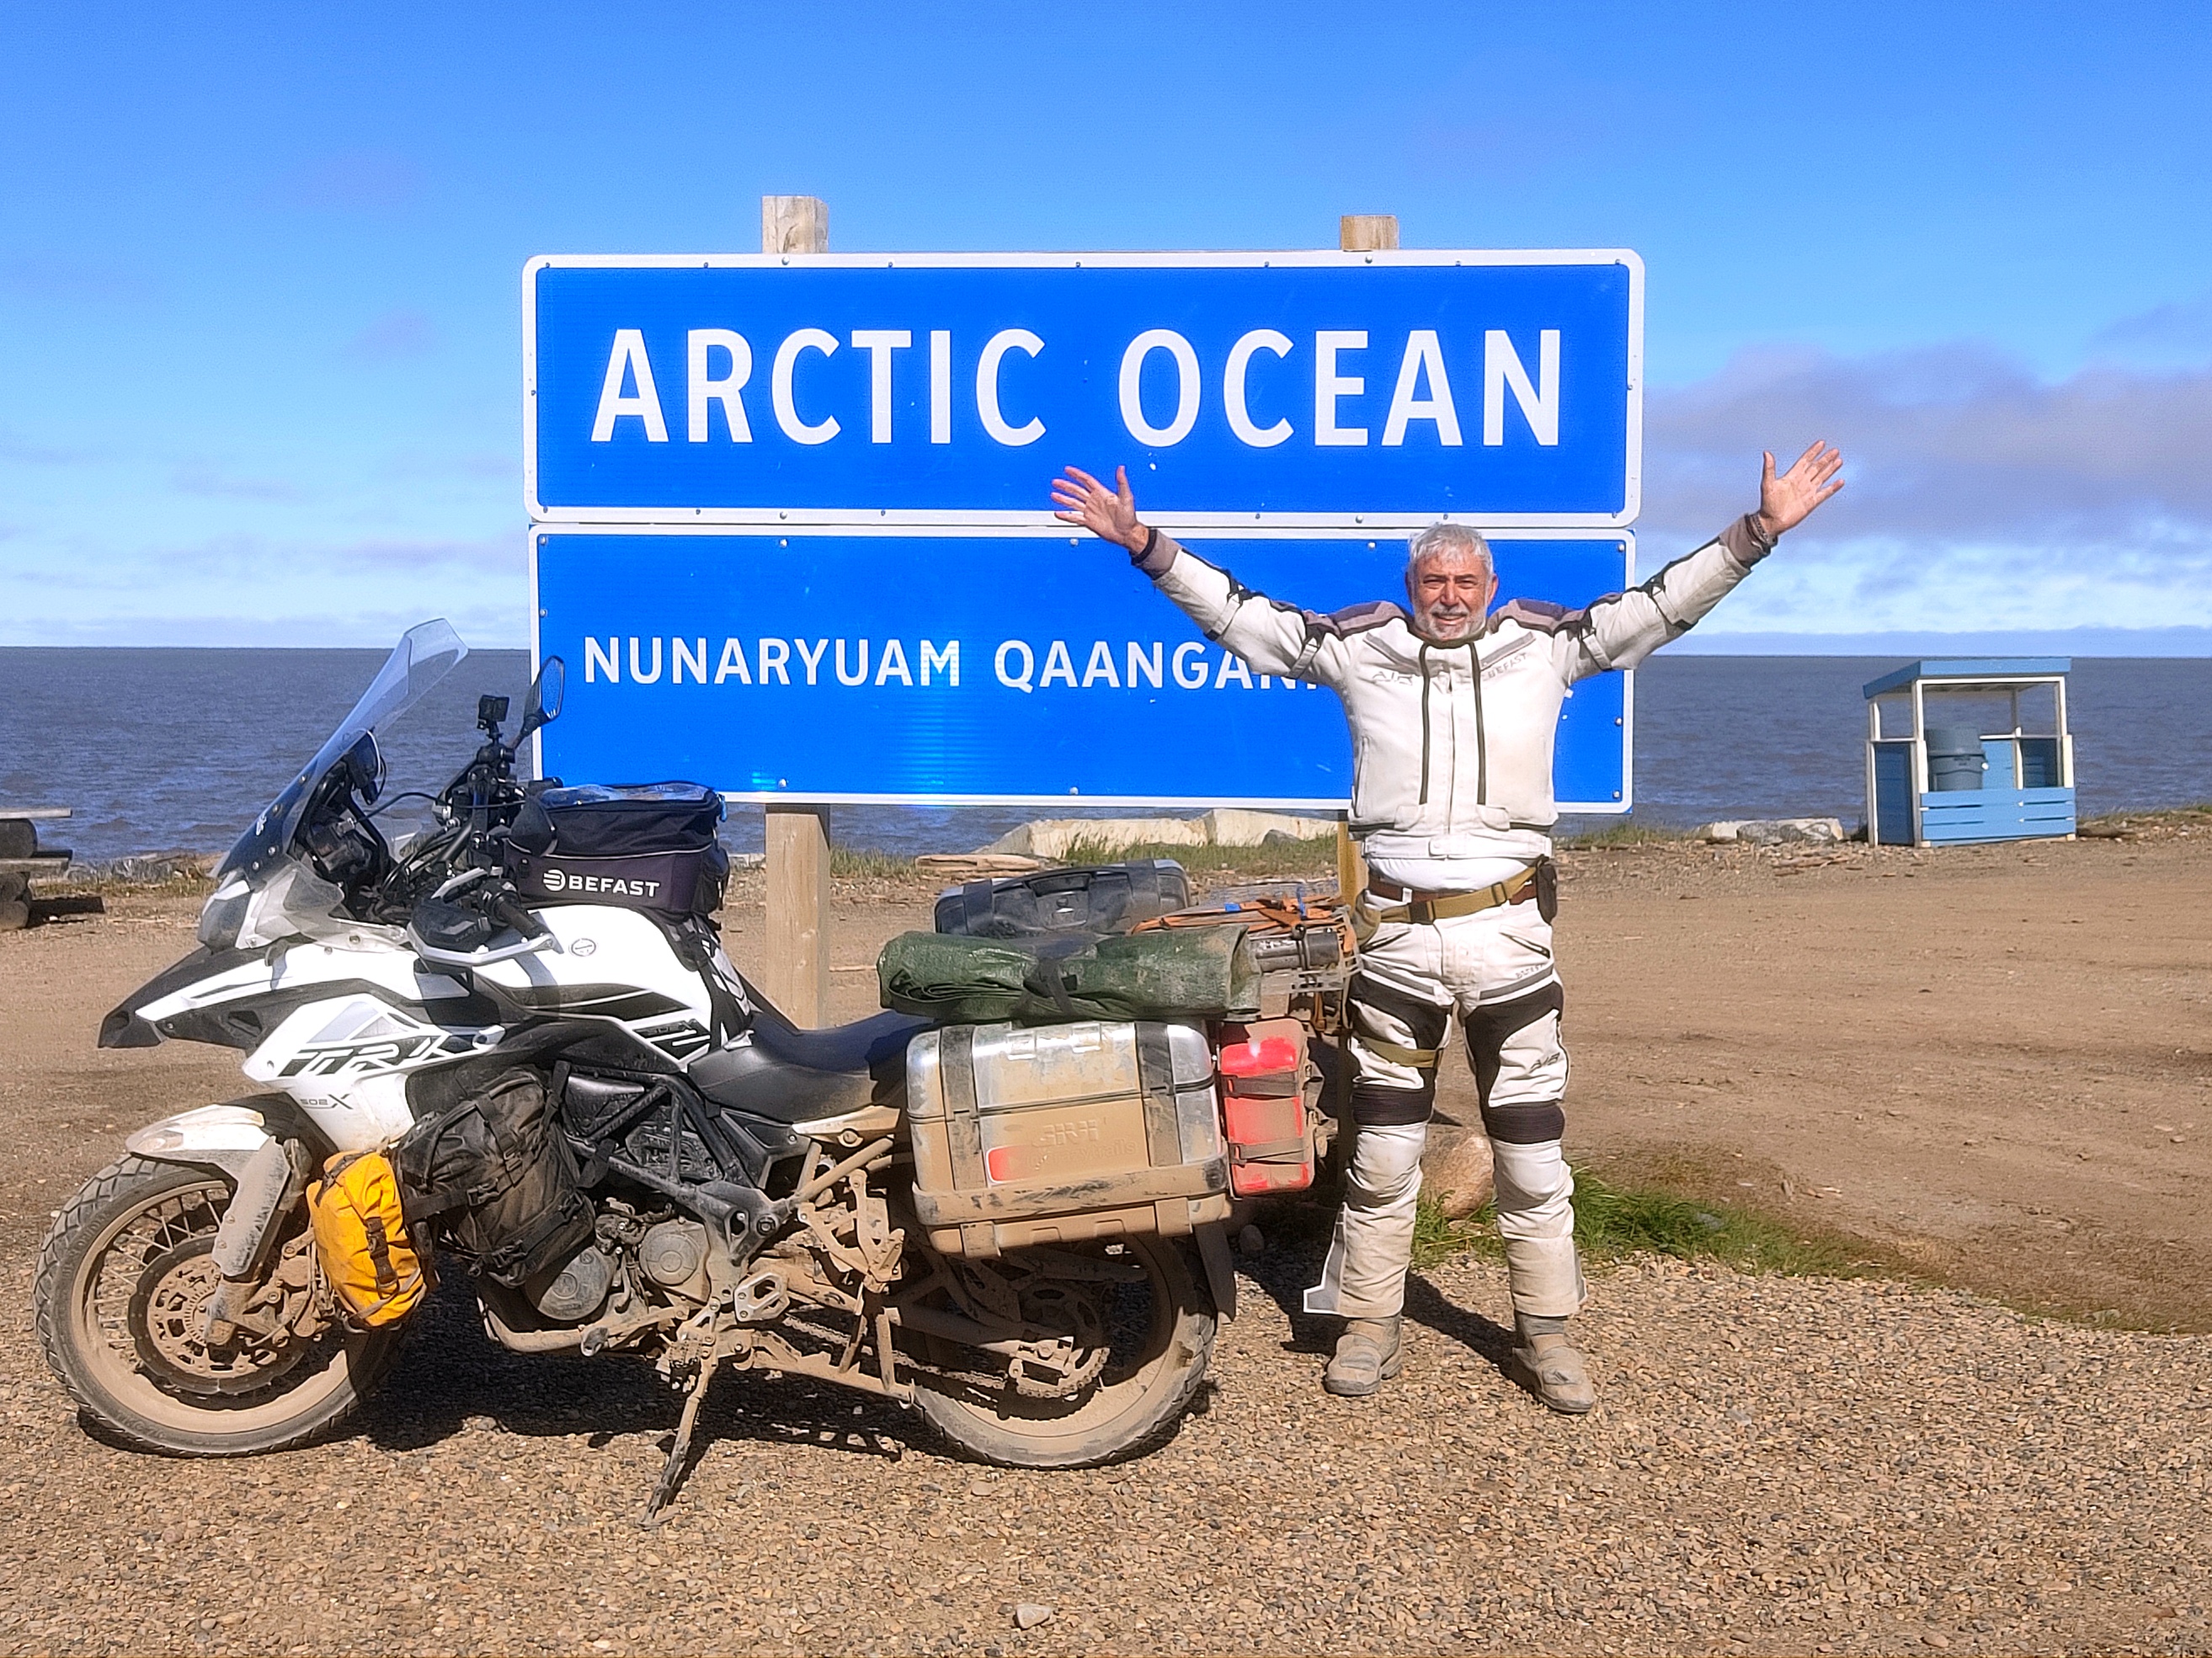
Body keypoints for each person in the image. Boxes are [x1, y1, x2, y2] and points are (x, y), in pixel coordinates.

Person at [1050, 443, 1846, 1410]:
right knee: (1383, 1154)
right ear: (1410, 586)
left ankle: (1546, 1332)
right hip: (1396, 944)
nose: (1450, 595)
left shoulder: (1548, 647)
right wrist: (1144, 543)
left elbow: (1657, 607)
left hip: (1510, 942)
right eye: (1434, 580)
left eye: (1466, 580)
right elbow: (1246, 621)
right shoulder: (1359, 649)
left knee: (1531, 1155)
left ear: (1491, 587)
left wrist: (1755, 532)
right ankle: (1368, 1322)